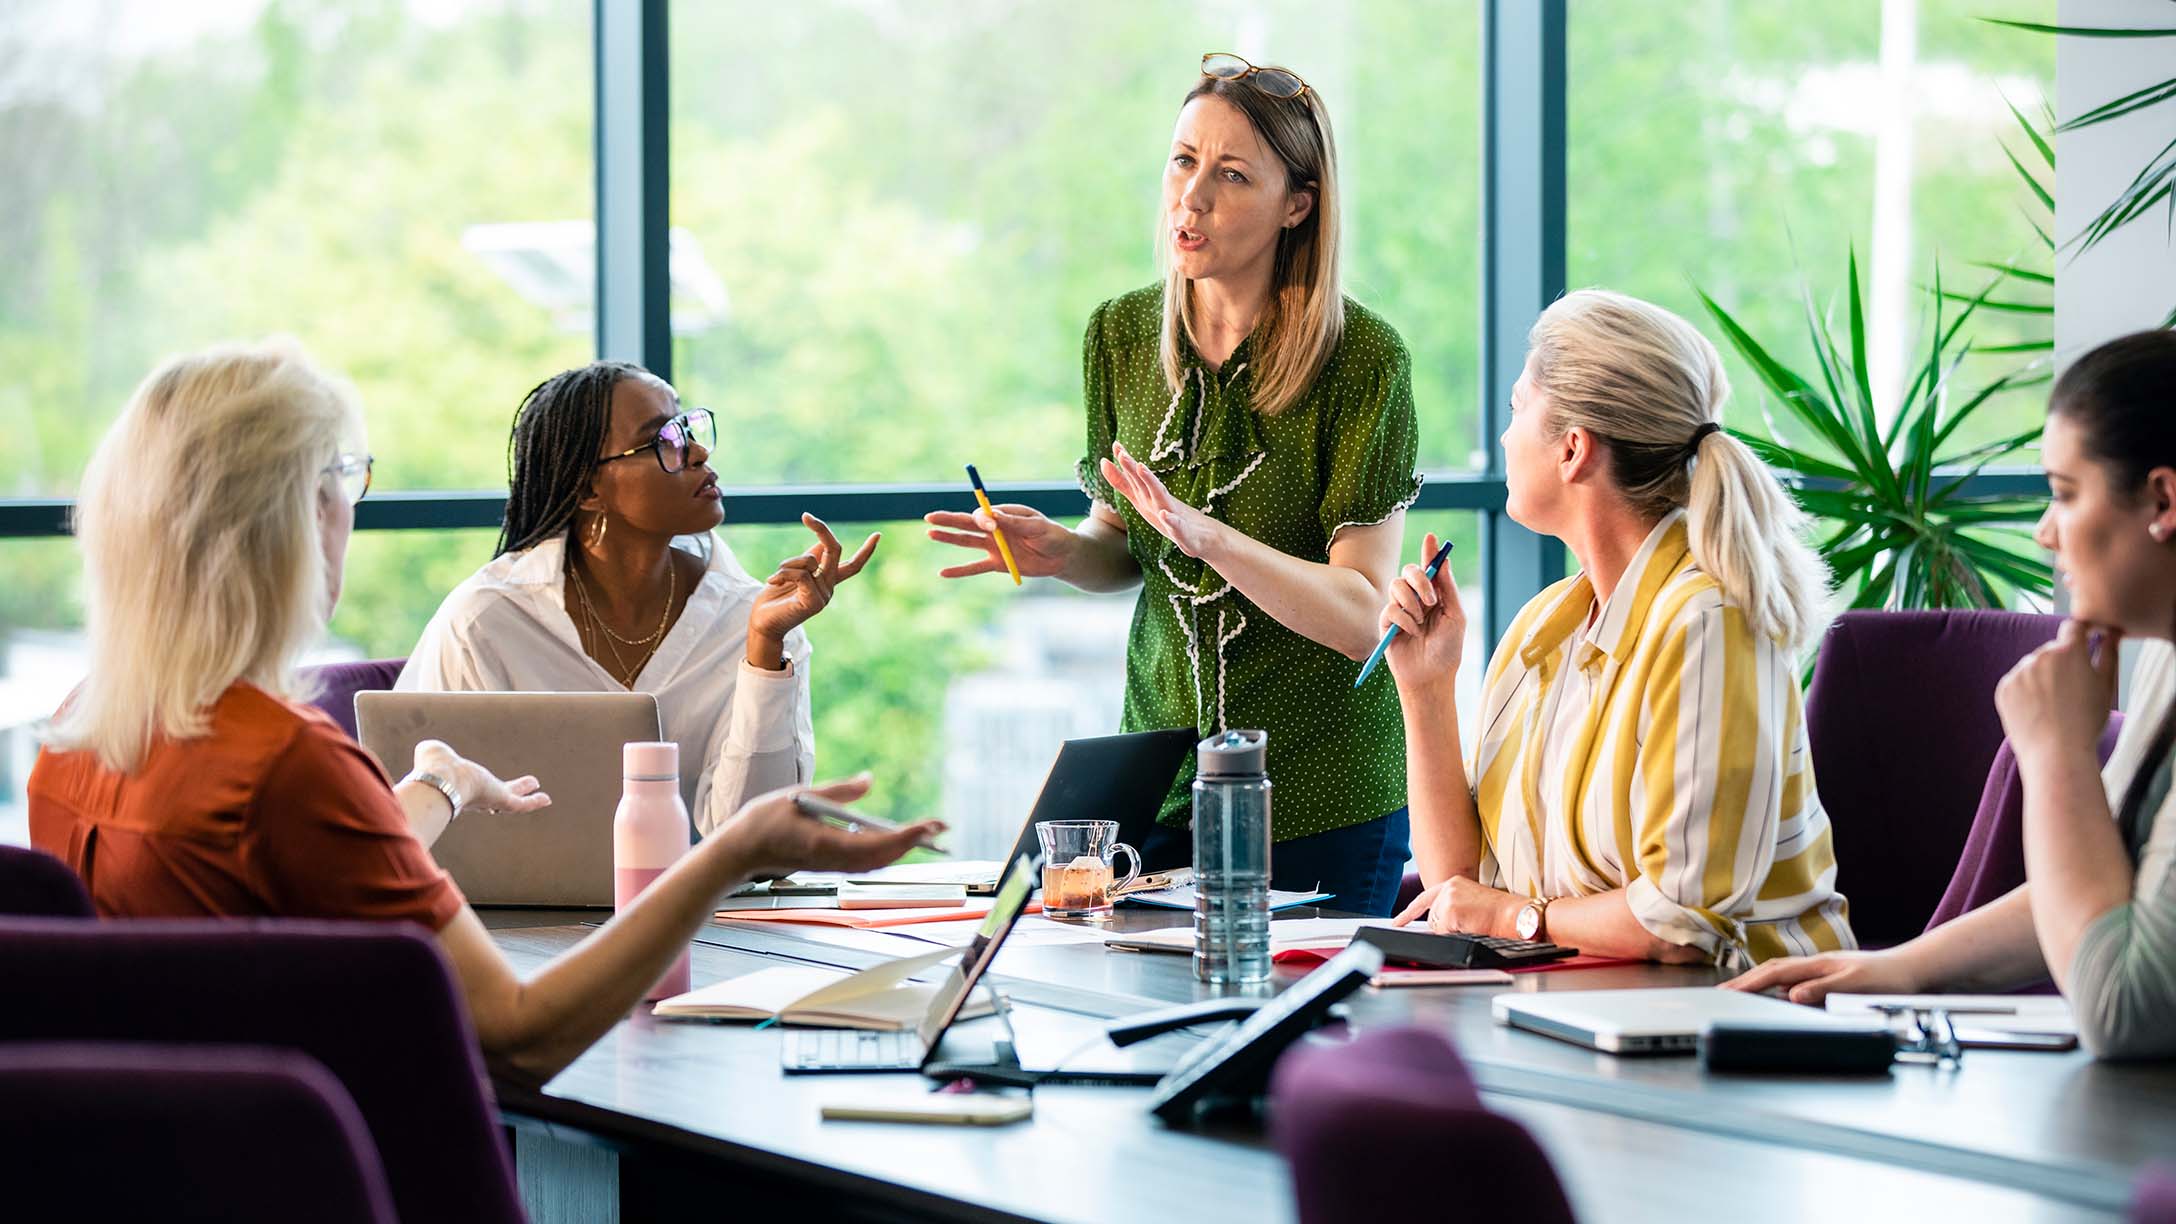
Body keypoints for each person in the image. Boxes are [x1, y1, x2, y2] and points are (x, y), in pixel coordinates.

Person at [28, 340, 938, 1085]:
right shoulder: (285, 767)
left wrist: (434, 785)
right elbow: (517, 1036)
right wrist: (737, 850)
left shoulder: (70, 746)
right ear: (291, 519)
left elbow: (310, 882)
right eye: (342, 478)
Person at [925, 54, 1421, 914]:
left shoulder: (1364, 363)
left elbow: (1362, 617)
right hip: (1164, 786)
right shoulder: (1119, 337)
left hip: (1322, 795)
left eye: (1232, 175)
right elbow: (1122, 548)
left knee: (1303, 1045)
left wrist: (1212, 538)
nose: (1191, 197)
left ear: (1297, 205)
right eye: (1183, 159)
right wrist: (1065, 554)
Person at [1733, 330, 2176, 1058]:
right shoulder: (2164, 657)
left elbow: (2123, 1011)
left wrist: (2058, 754)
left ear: (2161, 500)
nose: (2044, 534)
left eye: (2064, 494)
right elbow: (2103, 893)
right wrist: (1894, 969)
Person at [1383, 290, 1853, 968]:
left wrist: (1518, 917)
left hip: (1734, 1031)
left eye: (1517, 410)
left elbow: (1678, 923)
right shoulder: (1544, 627)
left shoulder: (1707, 627)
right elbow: (1460, 881)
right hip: (1574, 1011)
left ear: (1573, 449)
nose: (1507, 436)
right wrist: (1426, 688)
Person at [396, 361, 878, 836]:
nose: (697, 452)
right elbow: (430, 826)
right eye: (664, 440)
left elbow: (757, 838)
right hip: (514, 916)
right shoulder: (486, 621)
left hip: (710, 913)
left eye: (689, 428)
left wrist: (765, 648)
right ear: (588, 489)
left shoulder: (751, 616)